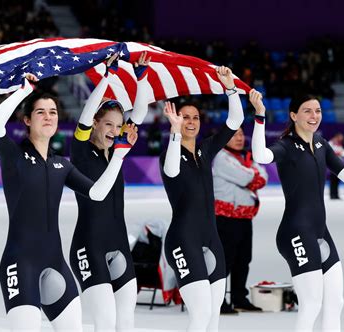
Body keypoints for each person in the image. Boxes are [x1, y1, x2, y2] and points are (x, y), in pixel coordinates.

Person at [0, 73, 136, 331]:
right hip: (20, 264)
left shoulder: (61, 165)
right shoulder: (15, 157)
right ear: (27, 120)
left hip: (56, 263)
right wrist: (22, 92)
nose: (48, 117)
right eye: (41, 112)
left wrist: (119, 156)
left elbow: (97, 193)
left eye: (53, 112)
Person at [250, 90, 344, 331]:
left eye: (318, 110)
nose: (314, 116)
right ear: (293, 115)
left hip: (320, 231)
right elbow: (260, 155)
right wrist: (260, 116)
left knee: (335, 302)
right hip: (295, 233)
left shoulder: (321, 143)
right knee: (311, 304)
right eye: (307, 111)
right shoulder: (286, 146)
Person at [69, 52, 150, 332]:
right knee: (105, 324)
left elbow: (138, 115)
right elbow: (87, 113)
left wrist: (142, 78)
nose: (115, 131)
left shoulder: (118, 149)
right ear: (95, 124)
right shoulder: (80, 148)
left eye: (118, 126)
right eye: (108, 125)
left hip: (118, 243)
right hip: (88, 246)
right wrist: (108, 76)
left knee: (125, 323)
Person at [160, 66, 244, 332]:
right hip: (182, 239)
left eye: (195, 117)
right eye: (185, 117)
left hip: (211, 236)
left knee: (213, 316)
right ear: (176, 120)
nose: (191, 122)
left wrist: (230, 88)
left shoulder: (206, 148)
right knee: (200, 315)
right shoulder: (169, 154)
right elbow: (173, 171)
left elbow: (234, 122)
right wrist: (174, 133)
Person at [212, 126, 268, 313]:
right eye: (234, 135)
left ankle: (238, 297)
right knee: (225, 260)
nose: (239, 138)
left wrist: (253, 175)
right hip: (226, 218)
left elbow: (264, 176)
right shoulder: (221, 157)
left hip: (244, 217)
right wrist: (253, 175)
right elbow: (246, 178)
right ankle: (217, 300)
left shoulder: (247, 157)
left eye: (242, 134)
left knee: (243, 259)